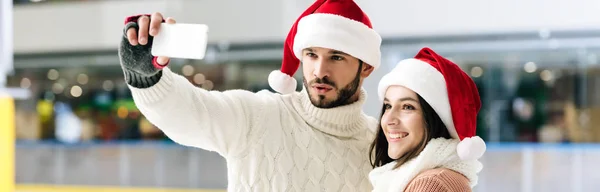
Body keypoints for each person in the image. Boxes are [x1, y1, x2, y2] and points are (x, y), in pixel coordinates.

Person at [117, 0, 382, 191]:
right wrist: (146, 77)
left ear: (366, 67)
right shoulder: (259, 114)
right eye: (311, 55)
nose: (319, 71)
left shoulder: (382, 146)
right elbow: (187, 112)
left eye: (336, 57)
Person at [368, 47, 486, 191]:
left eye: (407, 107)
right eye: (388, 106)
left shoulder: (432, 184)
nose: (389, 120)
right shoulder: (433, 177)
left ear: (436, 117)